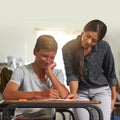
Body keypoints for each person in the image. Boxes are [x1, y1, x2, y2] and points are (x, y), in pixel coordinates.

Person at [3, 35, 69, 120]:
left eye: (52, 57)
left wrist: (50, 73)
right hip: (22, 118)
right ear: (35, 52)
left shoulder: (57, 73)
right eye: (45, 56)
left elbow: (63, 96)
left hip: (46, 118)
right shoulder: (21, 71)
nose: (48, 61)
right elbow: (8, 94)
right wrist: (40, 95)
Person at [62, 19, 117, 120]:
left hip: (101, 90)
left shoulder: (104, 47)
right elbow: (71, 74)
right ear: (83, 31)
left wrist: (113, 98)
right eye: (88, 36)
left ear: (99, 41)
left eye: (94, 40)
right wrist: (73, 93)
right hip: (80, 92)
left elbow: (111, 73)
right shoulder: (68, 48)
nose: (88, 41)